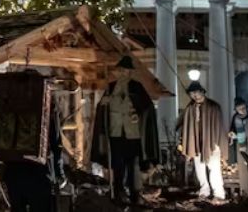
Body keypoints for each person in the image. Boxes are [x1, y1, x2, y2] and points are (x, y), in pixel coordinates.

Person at [92, 56, 161, 206]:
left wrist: (139, 116)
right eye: (121, 70)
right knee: (118, 165)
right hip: (115, 132)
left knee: (133, 165)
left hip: (133, 134)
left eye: (126, 71)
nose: (124, 73)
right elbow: (102, 108)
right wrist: (102, 104)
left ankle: (135, 194)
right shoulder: (110, 87)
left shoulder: (137, 87)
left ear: (130, 72)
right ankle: (118, 192)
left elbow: (147, 108)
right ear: (118, 72)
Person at [176, 81, 227, 202]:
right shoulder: (190, 108)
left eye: (196, 92)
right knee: (199, 168)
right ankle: (204, 191)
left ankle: (219, 193)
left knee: (214, 169)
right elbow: (185, 126)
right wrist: (186, 141)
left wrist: (218, 142)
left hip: (212, 143)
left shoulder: (213, 107)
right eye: (191, 93)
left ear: (202, 91)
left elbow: (218, 126)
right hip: (196, 143)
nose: (194, 95)